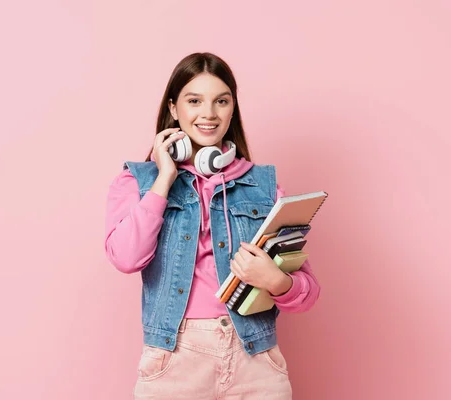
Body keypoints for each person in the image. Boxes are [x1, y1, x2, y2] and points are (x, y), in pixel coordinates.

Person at [104, 52, 320, 399]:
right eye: (194, 101)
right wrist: (164, 179)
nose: (209, 113)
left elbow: (307, 292)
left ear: (232, 108)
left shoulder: (263, 187)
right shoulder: (138, 181)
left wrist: (275, 281)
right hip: (174, 360)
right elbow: (127, 258)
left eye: (221, 101)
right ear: (174, 108)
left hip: (255, 360)